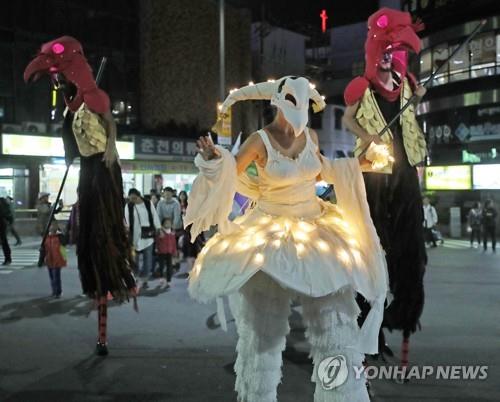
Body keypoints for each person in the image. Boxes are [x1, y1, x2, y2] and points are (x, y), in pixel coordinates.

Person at [186, 75, 388, 401]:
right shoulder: (258, 141)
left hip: (317, 231)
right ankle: (257, 394)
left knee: (335, 324)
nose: (302, 107)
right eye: (295, 99)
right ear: (278, 101)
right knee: (262, 332)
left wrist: (361, 162)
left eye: (306, 100)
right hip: (270, 233)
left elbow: (320, 169)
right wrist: (213, 161)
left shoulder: (310, 136)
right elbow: (230, 175)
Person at [24, 36, 137, 356]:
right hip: (89, 174)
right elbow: (72, 118)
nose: (59, 84)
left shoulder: (95, 98)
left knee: (104, 237)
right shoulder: (73, 109)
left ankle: (114, 282)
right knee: (90, 243)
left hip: (102, 173)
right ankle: (101, 309)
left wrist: (76, 81)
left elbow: (98, 112)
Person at [342, 8, 428, 368]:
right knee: (373, 250)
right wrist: (369, 136)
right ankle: (367, 333)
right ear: (374, 52)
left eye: (394, 52)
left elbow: (411, 110)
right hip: (375, 175)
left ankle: (403, 312)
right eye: (385, 51)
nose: (389, 57)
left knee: (409, 247)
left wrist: (419, 94)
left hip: (405, 169)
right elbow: (347, 120)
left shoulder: (404, 82)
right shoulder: (361, 87)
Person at [125, 188, 161, 290]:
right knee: (134, 259)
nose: (133, 200)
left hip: (148, 236)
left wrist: (158, 228)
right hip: (134, 236)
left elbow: (154, 216)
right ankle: (135, 277)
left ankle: (144, 278)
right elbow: (127, 220)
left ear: (139, 196)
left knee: (148, 259)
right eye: (131, 198)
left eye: (134, 198)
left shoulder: (148, 203)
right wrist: (126, 231)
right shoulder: (129, 206)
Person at [44, 220, 67, 298]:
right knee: (52, 277)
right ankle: (54, 291)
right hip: (49, 259)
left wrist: (61, 233)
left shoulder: (59, 236)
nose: (51, 227)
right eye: (50, 226)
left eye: (53, 226)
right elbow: (44, 248)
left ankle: (58, 292)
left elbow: (65, 243)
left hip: (58, 259)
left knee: (56, 277)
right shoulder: (46, 236)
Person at [156, 218, 177, 289]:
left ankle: (168, 280)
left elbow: (174, 243)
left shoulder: (172, 232)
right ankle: (161, 278)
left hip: (169, 252)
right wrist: (157, 248)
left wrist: (174, 251)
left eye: (169, 223)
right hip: (161, 252)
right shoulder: (160, 231)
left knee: (169, 266)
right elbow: (157, 241)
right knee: (161, 266)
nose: (168, 224)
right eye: (166, 223)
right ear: (163, 224)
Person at [0, 197, 12, 265]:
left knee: (4, 242)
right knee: (4, 242)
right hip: (2, 224)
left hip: (1, 224)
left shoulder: (1, 202)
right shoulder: (2, 201)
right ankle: (8, 258)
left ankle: (8, 258)